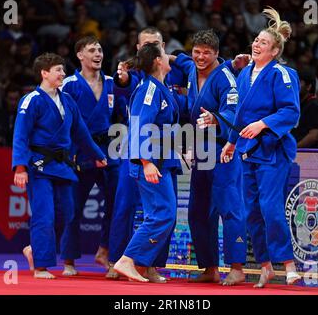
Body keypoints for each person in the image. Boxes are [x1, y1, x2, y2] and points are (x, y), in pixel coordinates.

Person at [221, 7, 302, 288]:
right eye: (256, 40)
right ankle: (266, 266)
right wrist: (231, 142)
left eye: (263, 43)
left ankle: (288, 264)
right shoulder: (245, 75)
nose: (256, 44)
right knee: (250, 211)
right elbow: (241, 115)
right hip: (247, 150)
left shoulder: (283, 73)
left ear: (275, 51)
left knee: (270, 207)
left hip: (272, 150)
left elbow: (291, 112)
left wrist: (264, 124)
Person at [12, 53, 107, 279]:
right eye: (58, 70)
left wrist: (98, 154)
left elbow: (81, 133)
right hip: (39, 166)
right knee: (44, 215)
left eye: (63, 70)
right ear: (44, 73)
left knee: (68, 214)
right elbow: (20, 136)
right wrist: (20, 167)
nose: (63, 74)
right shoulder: (31, 100)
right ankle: (41, 266)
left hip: (63, 166)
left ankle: (34, 249)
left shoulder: (67, 100)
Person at [107, 27, 188, 282]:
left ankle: (140, 265)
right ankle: (127, 260)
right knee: (163, 213)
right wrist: (146, 162)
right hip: (150, 162)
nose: (169, 58)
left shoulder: (162, 88)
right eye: (165, 54)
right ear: (157, 61)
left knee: (163, 214)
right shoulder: (149, 89)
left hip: (163, 161)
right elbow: (140, 126)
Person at [172, 29, 247, 285]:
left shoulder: (226, 77)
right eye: (197, 51)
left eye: (206, 53)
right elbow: (178, 58)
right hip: (200, 150)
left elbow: (234, 111)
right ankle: (210, 267)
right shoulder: (190, 66)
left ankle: (237, 267)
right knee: (198, 210)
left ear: (217, 54)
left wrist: (216, 118)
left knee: (229, 207)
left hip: (222, 148)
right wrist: (163, 54)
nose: (200, 57)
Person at [59, 36, 121, 275]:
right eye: (92, 50)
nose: (98, 54)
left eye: (100, 49)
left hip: (107, 152)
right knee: (73, 207)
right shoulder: (69, 84)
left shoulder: (111, 82)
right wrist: (70, 153)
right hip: (79, 153)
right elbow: (64, 122)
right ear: (80, 55)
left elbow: (120, 117)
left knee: (117, 204)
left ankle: (106, 251)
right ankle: (68, 262)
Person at [292, 70, 318, 148]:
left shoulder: (314, 106)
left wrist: (294, 149)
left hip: (312, 157)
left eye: (299, 82)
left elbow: (314, 136)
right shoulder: (299, 105)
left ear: (308, 87)